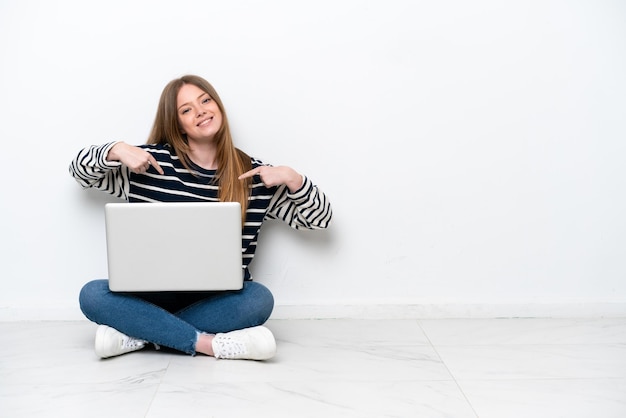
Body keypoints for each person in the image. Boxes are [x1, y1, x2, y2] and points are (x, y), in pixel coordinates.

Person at [69, 75, 332, 360]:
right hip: (148, 297)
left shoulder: (255, 175)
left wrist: (294, 179)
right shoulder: (146, 163)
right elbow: (79, 172)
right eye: (186, 109)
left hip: (215, 300)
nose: (201, 111)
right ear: (176, 123)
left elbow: (318, 220)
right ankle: (206, 343)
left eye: (205, 100)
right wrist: (115, 149)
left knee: (259, 300)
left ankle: (140, 335)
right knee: (92, 294)